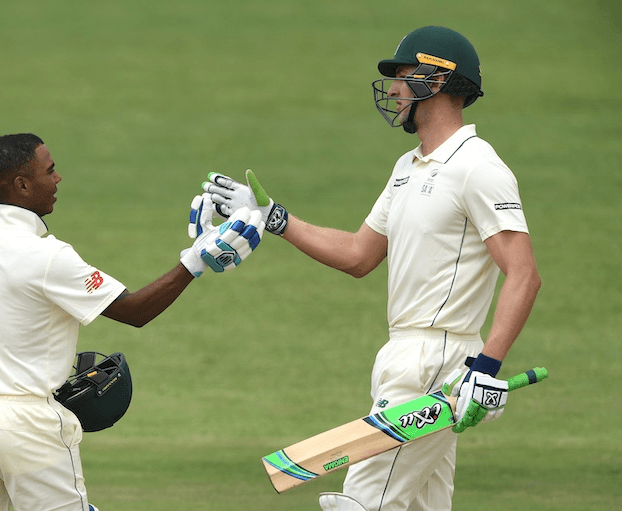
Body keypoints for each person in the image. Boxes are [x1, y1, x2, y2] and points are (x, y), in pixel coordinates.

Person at [202, 26, 541, 511]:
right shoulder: (408, 167)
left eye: (403, 75)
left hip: (436, 362)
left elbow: (523, 273)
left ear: (437, 80)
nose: (395, 88)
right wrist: (273, 217)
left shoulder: (477, 167)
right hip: (404, 355)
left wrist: (485, 369)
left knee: (359, 504)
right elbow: (359, 254)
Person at [0, 133, 264, 511]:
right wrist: (195, 261)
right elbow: (134, 312)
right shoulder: (48, 256)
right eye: (49, 171)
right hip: (25, 426)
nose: (58, 178)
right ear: (22, 185)